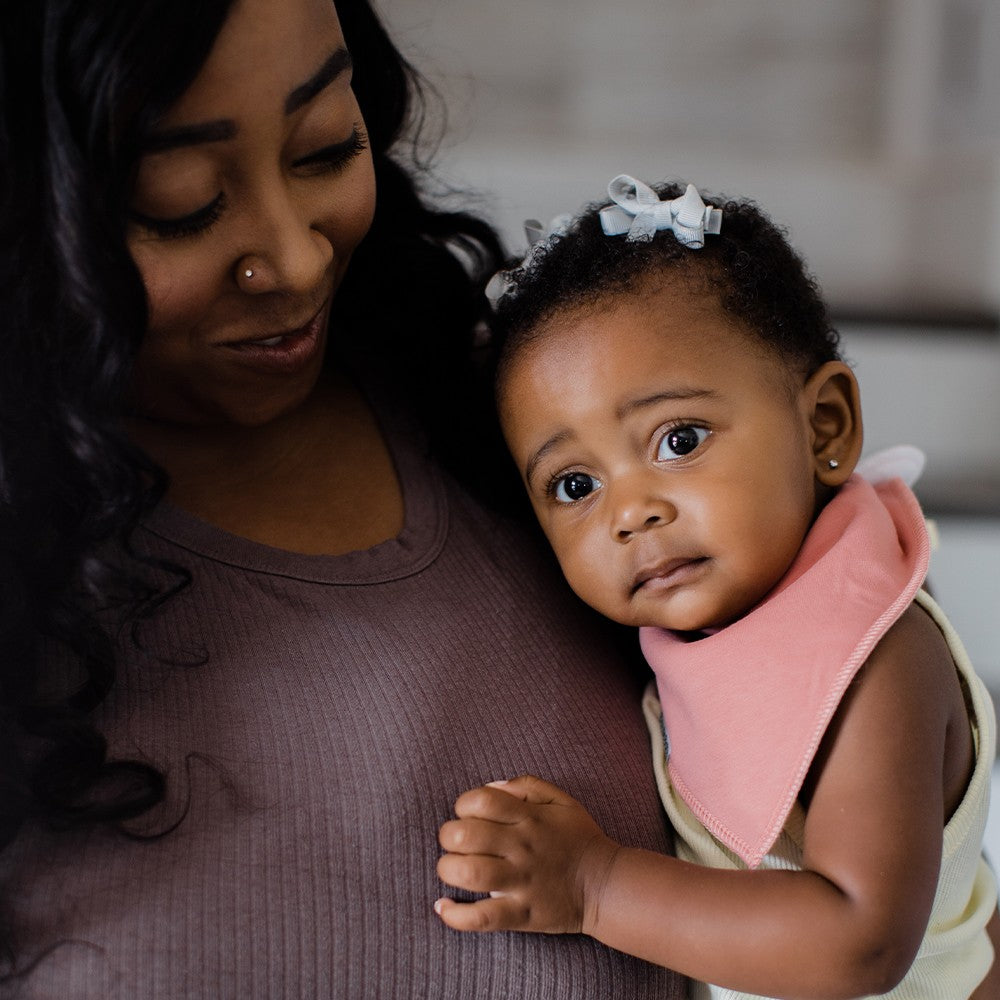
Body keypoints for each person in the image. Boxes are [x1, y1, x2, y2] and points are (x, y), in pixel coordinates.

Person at [0, 4, 688, 996]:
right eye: (182, 202)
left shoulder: (528, 426)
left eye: (324, 146)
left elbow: (910, 907)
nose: (293, 260)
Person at [435, 175, 999, 998]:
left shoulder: (876, 657)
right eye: (573, 486)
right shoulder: (692, 635)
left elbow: (858, 943)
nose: (631, 511)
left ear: (825, 426)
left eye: (680, 438)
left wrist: (596, 886)